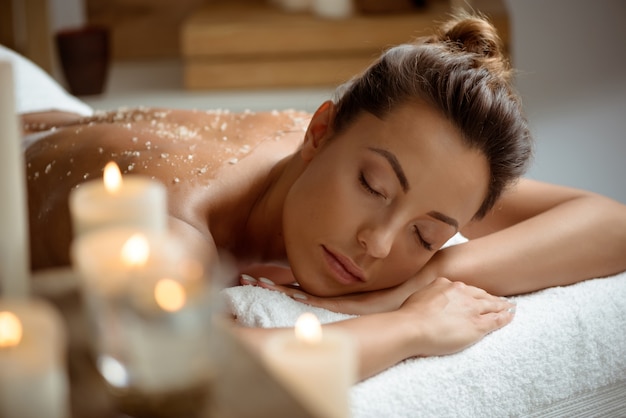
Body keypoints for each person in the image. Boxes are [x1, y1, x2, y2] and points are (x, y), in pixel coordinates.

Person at [20, 12, 626, 381]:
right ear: (318, 131)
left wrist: (431, 273)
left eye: (425, 233)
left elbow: (610, 223)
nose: (379, 242)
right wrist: (406, 328)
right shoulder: (171, 224)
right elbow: (175, 365)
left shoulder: (398, 153)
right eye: (373, 186)